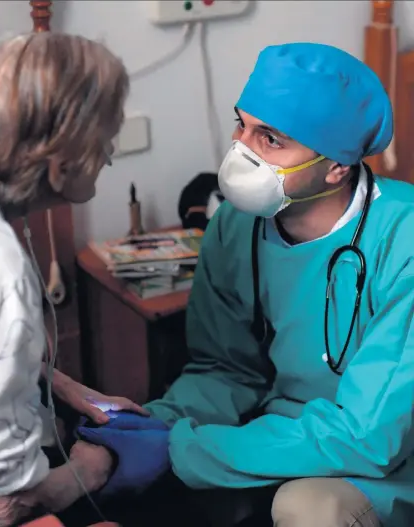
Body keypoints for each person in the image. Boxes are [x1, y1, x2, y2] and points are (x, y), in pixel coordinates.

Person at [89, 43, 413, 527]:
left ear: (336, 166)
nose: (241, 149)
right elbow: (226, 370)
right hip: (283, 432)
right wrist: (153, 423)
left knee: (308, 510)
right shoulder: (236, 226)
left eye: (270, 139)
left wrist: (183, 449)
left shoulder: (403, 240)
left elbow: (369, 437)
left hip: (385, 454)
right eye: (241, 124)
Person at [0, 31, 148, 527]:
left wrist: (67, 388)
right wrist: (92, 469)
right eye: (107, 137)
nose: (111, 151)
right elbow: (3, 500)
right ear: (59, 167)